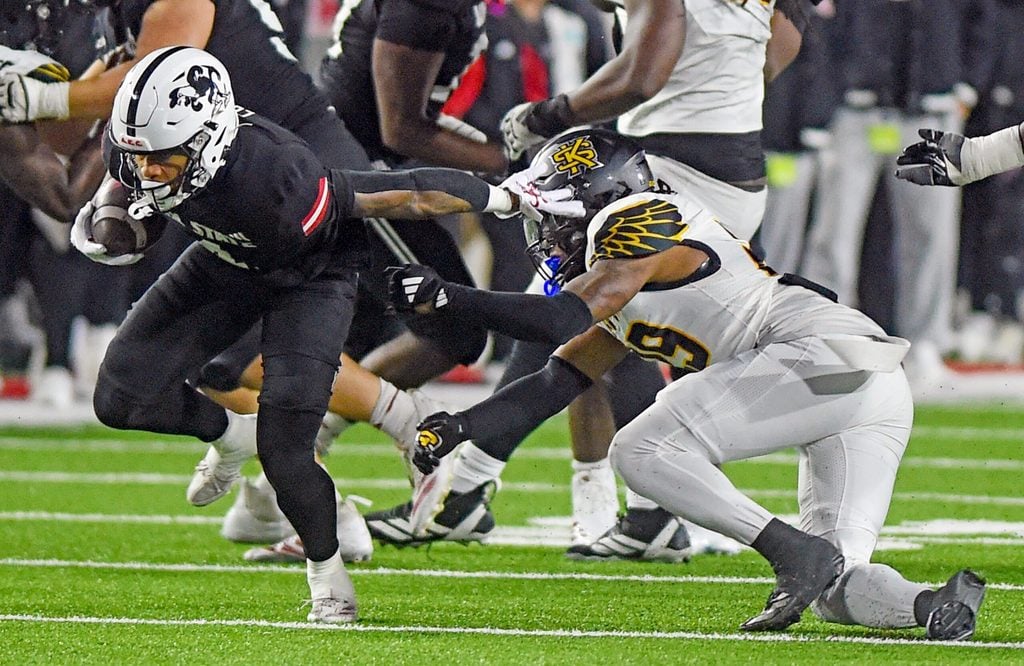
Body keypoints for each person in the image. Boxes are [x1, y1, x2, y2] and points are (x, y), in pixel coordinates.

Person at [387, 128, 987, 639]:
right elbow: (558, 378)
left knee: (642, 449)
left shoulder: (639, 224)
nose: (544, 234)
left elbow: (553, 319)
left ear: (599, 198)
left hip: (813, 353)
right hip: (862, 383)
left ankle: (789, 551)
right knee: (834, 587)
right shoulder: (621, 275)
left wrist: (449, 297)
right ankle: (932, 605)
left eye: (553, 215)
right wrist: (464, 427)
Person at [75, 47, 578, 623]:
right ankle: (227, 435)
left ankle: (328, 576)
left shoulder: (279, 175)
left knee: (286, 448)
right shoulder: (138, 142)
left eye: (162, 159)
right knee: (120, 396)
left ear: (209, 138)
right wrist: (109, 217)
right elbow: (124, 187)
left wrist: (509, 197)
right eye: (137, 156)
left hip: (312, 275)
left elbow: (406, 195)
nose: (147, 171)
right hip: (225, 257)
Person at [367, 0, 810, 559]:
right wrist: (718, 78)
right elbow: (781, 46)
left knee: (572, 310)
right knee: (601, 326)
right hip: (728, 165)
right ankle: (497, 494)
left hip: (676, 165)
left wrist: (547, 114)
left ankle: (476, 492)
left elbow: (642, 76)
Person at [798, 0, 1000, 394]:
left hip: (931, 101)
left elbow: (984, 15)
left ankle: (925, 341)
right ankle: (823, 335)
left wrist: (967, 84)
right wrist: (831, 89)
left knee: (931, 233)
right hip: (857, 103)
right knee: (835, 231)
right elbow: (822, 21)